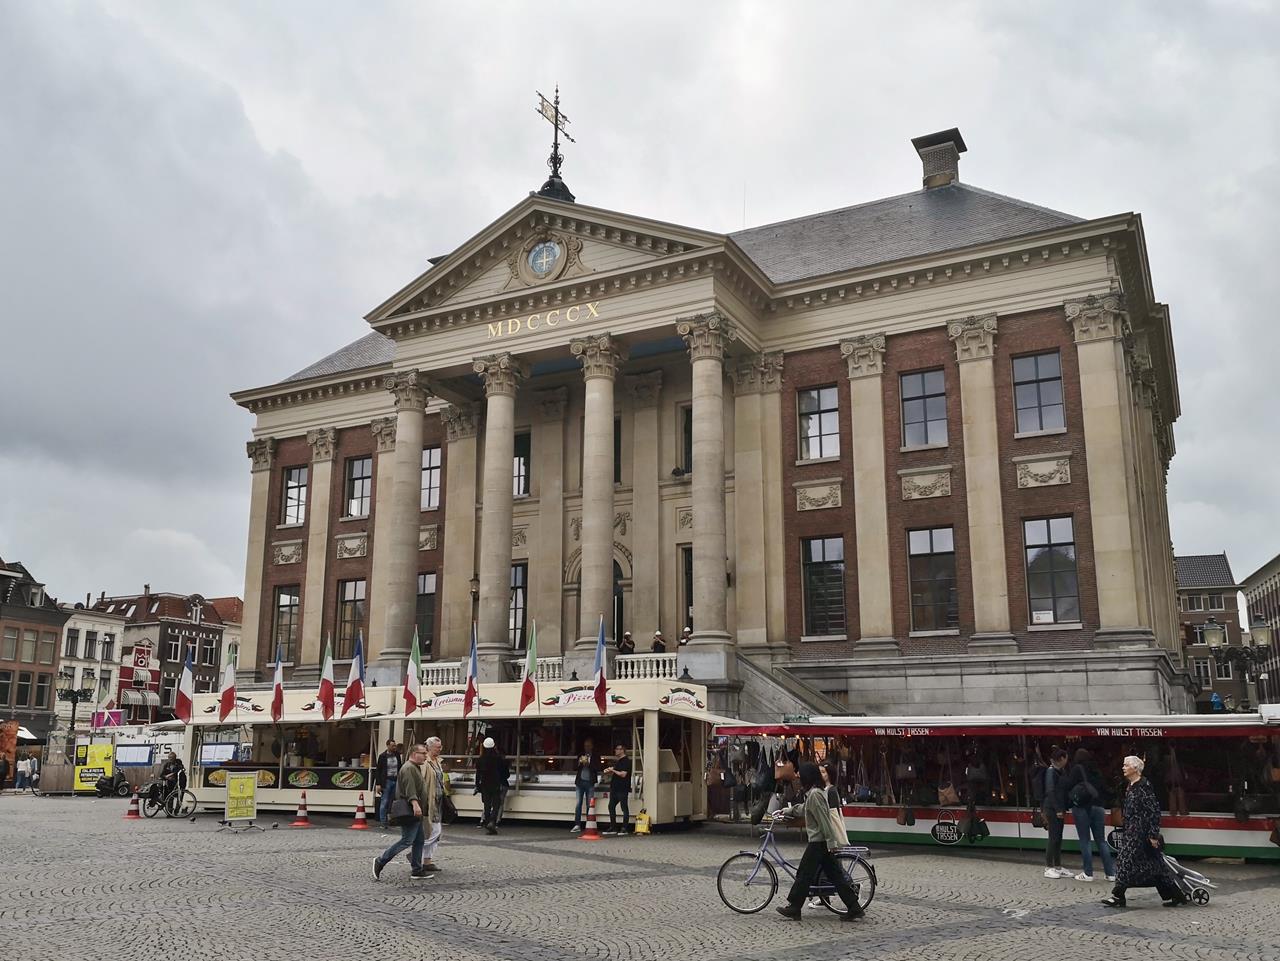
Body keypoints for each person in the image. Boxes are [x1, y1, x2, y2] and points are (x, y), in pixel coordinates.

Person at [775, 763, 863, 921]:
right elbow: (805, 809)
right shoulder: (815, 793)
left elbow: (824, 820)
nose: (798, 778)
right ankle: (854, 907)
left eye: (801, 775)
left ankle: (794, 907)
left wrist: (831, 842)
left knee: (804, 874)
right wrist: (788, 810)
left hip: (819, 842)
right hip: (821, 841)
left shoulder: (815, 794)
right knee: (835, 876)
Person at [1103, 756, 1186, 908]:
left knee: (1124, 861)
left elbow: (1153, 811)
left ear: (1135, 769)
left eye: (1126, 765)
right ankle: (1176, 895)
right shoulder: (1131, 786)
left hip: (1140, 833)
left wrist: (1153, 835)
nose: (1123, 768)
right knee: (1156, 866)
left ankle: (1118, 896)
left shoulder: (1143, 787)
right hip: (1132, 832)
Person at [372, 743, 430, 881]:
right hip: (410, 810)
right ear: (414, 754)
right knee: (407, 840)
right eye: (423, 753)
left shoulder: (414, 767)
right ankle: (380, 860)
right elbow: (410, 789)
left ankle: (417, 870)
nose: (425, 756)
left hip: (415, 810)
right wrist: (415, 804)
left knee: (419, 840)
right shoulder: (409, 768)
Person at [1062, 748, 1116, 882]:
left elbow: (1068, 786)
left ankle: (1088, 873)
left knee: (1085, 840)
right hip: (1099, 807)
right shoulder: (1096, 770)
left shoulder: (1077, 769)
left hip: (1082, 807)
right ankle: (1110, 873)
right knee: (1101, 841)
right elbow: (1104, 788)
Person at [1042, 748, 1071, 878]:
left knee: (1058, 837)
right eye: (1066, 758)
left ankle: (1058, 866)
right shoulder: (1051, 771)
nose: (1067, 761)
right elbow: (1050, 791)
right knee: (1053, 837)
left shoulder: (1060, 771)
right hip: (1052, 808)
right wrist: (1058, 809)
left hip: (1059, 808)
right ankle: (1049, 866)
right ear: (1062, 758)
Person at [420, 736, 446, 872]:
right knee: (435, 830)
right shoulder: (425, 762)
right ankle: (416, 852)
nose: (439, 749)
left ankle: (427, 861)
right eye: (437, 747)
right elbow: (422, 781)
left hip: (439, 800)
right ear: (429, 747)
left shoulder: (438, 761)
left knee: (434, 831)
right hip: (430, 801)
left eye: (440, 747)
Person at [475, 737, 508, 835]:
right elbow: (504, 773)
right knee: (496, 804)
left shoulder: (480, 760)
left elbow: (478, 774)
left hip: (484, 785)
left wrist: (477, 785)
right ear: (493, 746)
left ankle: (487, 821)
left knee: (487, 805)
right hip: (496, 784)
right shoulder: (498, 759)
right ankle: (492, 821)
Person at [571, 737, 601, 832]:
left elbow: (598, 768)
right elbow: (574, 767)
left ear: (592, 746)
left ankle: (589, 824)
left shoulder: (596, 756)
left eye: (588, 746)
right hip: (580, 782)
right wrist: (579, 763)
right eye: (585, 746)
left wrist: (589, 764)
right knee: (578, 804)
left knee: (589, 804)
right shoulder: (581, 755)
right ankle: (577, 824)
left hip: (590, 783)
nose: (586, 748)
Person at [602, 744, 632, 835]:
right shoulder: (618, 761)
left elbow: (623, 774)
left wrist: (613, 770)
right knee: (611, 806)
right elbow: (618, 773)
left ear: (622, 750)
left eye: (617, 749)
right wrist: (610, 771)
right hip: (615, 788)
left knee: (624, 807)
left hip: (622, 788)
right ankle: (613, 827)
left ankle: (624, 828)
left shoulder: (626, 761)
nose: (615, 750)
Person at [375, 739, 403, 829]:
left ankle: (391, 820)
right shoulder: (382, 756)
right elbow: (378, 770)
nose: (394, 747)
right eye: (392, 746)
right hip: (386, 781)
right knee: (385, 801)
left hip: (395, 780)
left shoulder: (397, 755)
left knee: (393, 801)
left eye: (395, 745)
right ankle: (383, 822)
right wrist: (378, 784)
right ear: (387, 746)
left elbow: (400, 767)